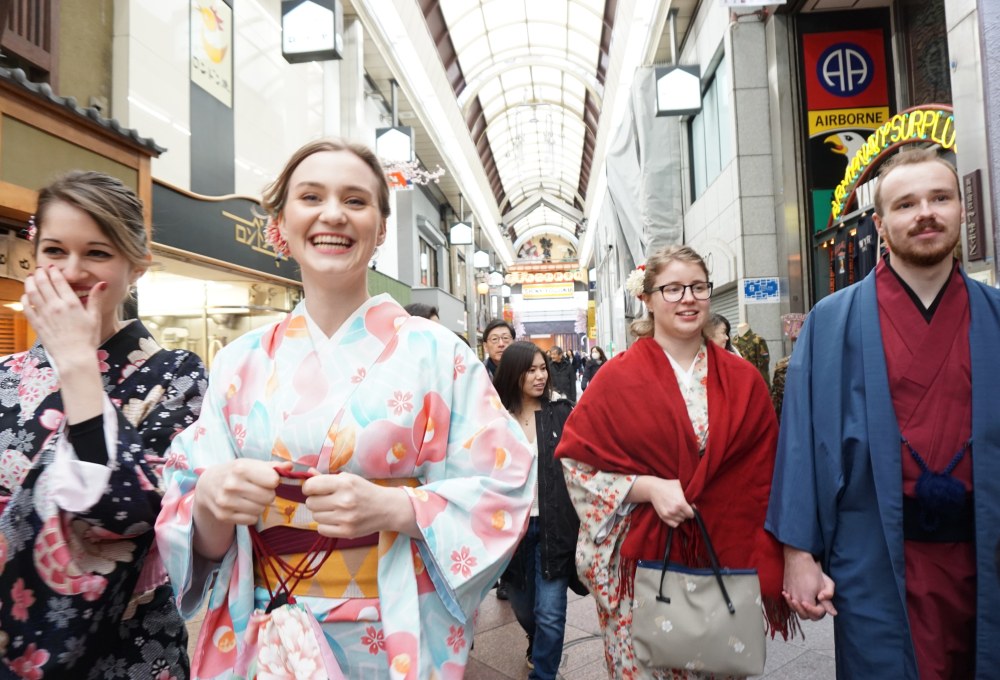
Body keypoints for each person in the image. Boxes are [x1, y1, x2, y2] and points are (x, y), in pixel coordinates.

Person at [156, 139, 535, 679]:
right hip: (267, 628)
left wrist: (393, 511)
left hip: (394, 624)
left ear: (381, 228)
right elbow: (197, 520)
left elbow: (505, 483)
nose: (332, 213)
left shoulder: (436, 352)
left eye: (355, 201)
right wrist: (213, 505)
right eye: (311, 196)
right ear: (281, 221)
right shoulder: (239, 362)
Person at [767, 148, 1000, 678]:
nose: (925, 213)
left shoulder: (995, 316)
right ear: (880, 223)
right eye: (905, 203)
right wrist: (798, 555)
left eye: (939, 198)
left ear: (960, 209)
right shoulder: (832, 321)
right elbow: (801, 443)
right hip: (874, 553)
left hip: (985, 551)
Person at [0, 171, 206, 678]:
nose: (71, 271)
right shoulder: (7, 376)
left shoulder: (179, 377)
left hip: (127, 647)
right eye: (54, 251)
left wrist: (75, 364)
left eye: (96, 253)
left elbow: (133, 515)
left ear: (137, 265)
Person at [556, 245, 794, 679]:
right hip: (641, 562)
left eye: (699, 287)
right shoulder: (615, 378)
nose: (688, 298)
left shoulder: (744, 379)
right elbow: (578, 463)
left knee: (720, 662)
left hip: (722, 550)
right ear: (647, 298)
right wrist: (647, 488)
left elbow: (766, 472)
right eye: (672, 288)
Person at [493, 342, 585, 678]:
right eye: (530, 370)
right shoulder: (496, 419)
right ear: (514, 374)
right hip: (512, 528)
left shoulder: (561, 411)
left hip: (554, 525)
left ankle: (543, 674)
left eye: (542, 368)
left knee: (550, 612)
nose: (539, 376)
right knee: (523, 606)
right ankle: (535, 638)